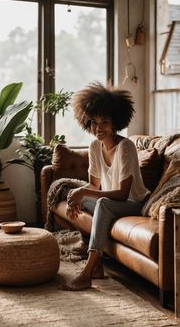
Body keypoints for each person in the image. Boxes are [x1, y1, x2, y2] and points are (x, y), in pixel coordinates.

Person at [59, 82, 150, 291]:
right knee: (70, 194)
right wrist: (77, 196)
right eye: (94, 122)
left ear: (115, 122)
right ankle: (98, 266)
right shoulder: (94, 146)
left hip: (135, 203)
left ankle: (87, 272)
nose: (98, 128)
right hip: (110, 200)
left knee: (102, 204)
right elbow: (94, 184)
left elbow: (122, 193)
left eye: (105, 122)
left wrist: (83, 192)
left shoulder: (125, 147)